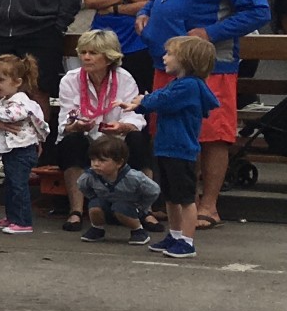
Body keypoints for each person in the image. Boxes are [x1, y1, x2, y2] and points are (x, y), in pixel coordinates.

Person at [135, 0, 272, 230]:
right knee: (171, 130)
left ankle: (208, 205)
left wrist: (209, 33)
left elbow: (258, 11)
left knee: (212, 135)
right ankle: (183, 201)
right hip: (166, 63)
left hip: (211, 68)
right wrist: (144, 13)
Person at [128, 35, 223, 260]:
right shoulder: (178, 83)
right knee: (170, 197)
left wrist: (142, 102)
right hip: (166, 147)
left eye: (170, 54)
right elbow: (161, 96)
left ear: (187, 60)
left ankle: (187, 241)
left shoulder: (189, 85)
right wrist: (142, 102)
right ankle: (175, 234)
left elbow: (162, 101)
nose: (165, 57)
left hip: (180, 150)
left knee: (186, 198)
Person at [52, 28, 152, 233]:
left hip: (117, 138)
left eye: (93, 53)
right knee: (72, 141)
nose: (86, 57)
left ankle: (146, 210)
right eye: (83, 52)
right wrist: (76, 125)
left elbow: (135, 115)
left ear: (109, 57)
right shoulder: (70, 79)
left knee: (139, 140)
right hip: (87, 137)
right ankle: (76, 211)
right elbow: (65, 120)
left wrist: (122, 126)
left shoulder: (124, 78)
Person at [0, 54, 48, 236]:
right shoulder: (6, 101)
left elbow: (11, 115)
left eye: (1, 80)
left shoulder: (19, 101)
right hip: (13, 151)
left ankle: (23, 220)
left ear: (17, 82)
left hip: (22, 150)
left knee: (18, 186)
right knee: (11, 184)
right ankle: (12, 217)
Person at [76, 135, 161, 245]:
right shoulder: (90, 176)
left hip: (128, 208)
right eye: (93, 160)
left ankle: (138, 230)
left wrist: (142, 206)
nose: (96, 164)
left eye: (102, 160)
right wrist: (93, 197)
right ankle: (97, 228)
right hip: (105, 205)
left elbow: (154, 190)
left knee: (120, 207)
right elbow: (82, 186)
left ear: (119, 163)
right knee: (94, 206)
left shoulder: (133, 177)